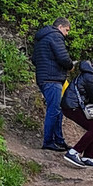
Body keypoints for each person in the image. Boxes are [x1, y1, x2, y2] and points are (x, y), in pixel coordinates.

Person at [32, 18, 75, 150]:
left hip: (44, 78)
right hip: (53, 79)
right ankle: (48, 142)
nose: (67, 34)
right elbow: (63, 57)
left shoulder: (41, 38)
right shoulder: (56, 36)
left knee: (58, 110)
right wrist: (70, 65)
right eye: (66, 30)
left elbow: (34, 59)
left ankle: (59, 140)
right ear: (60, 26)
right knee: (54, 110)